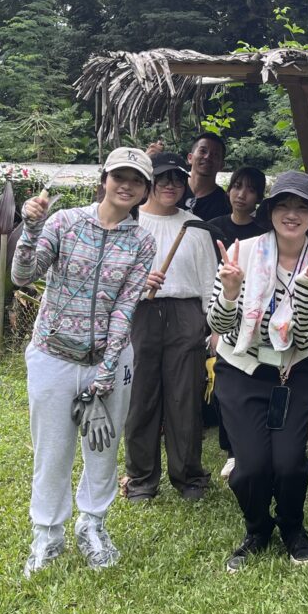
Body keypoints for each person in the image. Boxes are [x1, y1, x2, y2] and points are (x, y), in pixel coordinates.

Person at [12, 147, 156, 577]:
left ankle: (92, 525)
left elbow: (125, 308)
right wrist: (31, 228)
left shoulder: (142, 242)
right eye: (119, 176)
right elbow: (23, 275)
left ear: (146, 190)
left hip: (109, 360)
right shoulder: (65, 222)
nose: (126, 185)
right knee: (52, 448)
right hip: (52, 354)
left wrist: (106, 370)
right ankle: (47, 533)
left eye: (136, 180)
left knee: (103, 447)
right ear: (104, 179)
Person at [207, 171, 308, 572]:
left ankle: (293, 528)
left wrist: (307, 291)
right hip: (242, 367)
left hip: (294, 372)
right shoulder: (242, 252)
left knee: (288, 463)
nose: (292, 214)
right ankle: (258, 528)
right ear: (270, 212)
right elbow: (218, 324)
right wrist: (231, 292)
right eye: (283, 205)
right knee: (250, 467)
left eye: (302, 207)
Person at [124, 153, 216, 503]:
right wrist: (138, 282)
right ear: (150, 183)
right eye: (162, 178)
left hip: (186, 315)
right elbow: (115, 276)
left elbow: (210, 280)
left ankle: (189, 477)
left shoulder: (195, 226)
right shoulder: (130, 223)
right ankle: (140, 480)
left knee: (185, 399)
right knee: (141, 398)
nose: (170, 185)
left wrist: (214, 329)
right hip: (140, 316)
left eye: (177, 179)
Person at [208, 166, 268, 480]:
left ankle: (250, 446)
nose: (242, 194)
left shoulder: (264, 233)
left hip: (254, 319)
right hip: (219, 309)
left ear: (259, 198)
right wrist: (214, 330)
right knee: (223, 388)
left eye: (251, 189)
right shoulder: (213, 228)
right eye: (237, 186)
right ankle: (231, 450)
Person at [181, 132, 231, 220]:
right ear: (190, 158)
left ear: (221, 165)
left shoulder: (226, 204)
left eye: (215, 154)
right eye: (203, 151)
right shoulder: (173, 190)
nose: (208, 157)